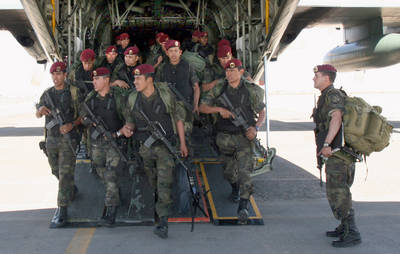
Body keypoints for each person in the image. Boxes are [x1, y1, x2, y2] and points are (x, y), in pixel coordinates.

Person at [120, 64, 188, 238]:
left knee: (164, 182)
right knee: (153, 179)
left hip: (165, 146)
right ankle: (159, 201)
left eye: (138, 78)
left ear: (149, 79)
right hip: (145, 148)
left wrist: (182, 143)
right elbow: (130, 120)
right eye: (134, 78)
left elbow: (178, 118)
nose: (135, 82)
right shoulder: (133, 98)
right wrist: (127, 128)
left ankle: (163, 221)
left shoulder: (165, 95)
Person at [199, 59, 265, 224]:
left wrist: (255, 128)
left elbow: (262, 112)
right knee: (229, 172)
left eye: (233, 71)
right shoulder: (220, 87)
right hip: (224, 137)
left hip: (244, 137)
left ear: (241, 72)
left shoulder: (250, 90)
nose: (229, 74)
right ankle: (235, 188)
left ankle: (243, 206)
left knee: (245, 172)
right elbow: (202, 107)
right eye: (227, 71)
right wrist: (219, 109)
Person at [311, 64, 362, 247]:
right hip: (337, 154)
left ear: (327, 78)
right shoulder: (326, 96)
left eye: (317, 75)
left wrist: (326, 144)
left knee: (339, 193)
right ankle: (344, 226)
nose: (314, 78)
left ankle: (352, 232)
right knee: (337, 191)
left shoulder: (332, 96)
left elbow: (336, 118)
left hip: (338, 155)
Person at [80, 67, 128, 227]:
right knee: (98, 170)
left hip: (114, 142)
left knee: (111, 174)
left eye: (97, 79)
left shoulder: (118, 98)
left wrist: (122, 132)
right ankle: (113, 192)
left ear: (106, 80)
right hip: (96, 143)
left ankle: (111, 211)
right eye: (93, 79)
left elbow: (128, 118)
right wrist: (91, 121)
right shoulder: (90, 98)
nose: (94, 82)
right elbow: (83, 117)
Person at [36, 62, 81, 228]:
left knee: (64, 173)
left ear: (65, 75)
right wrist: (40, 110)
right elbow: (37, 113)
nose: (56, 77)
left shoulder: (73, 93)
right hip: (51, 139)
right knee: (55, 170)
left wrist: (71, 125)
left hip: (68, 139)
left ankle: (63, 209)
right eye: (53, 75)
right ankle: (71, 188)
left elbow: (83, 115)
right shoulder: (47, 94)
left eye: (59, 74)